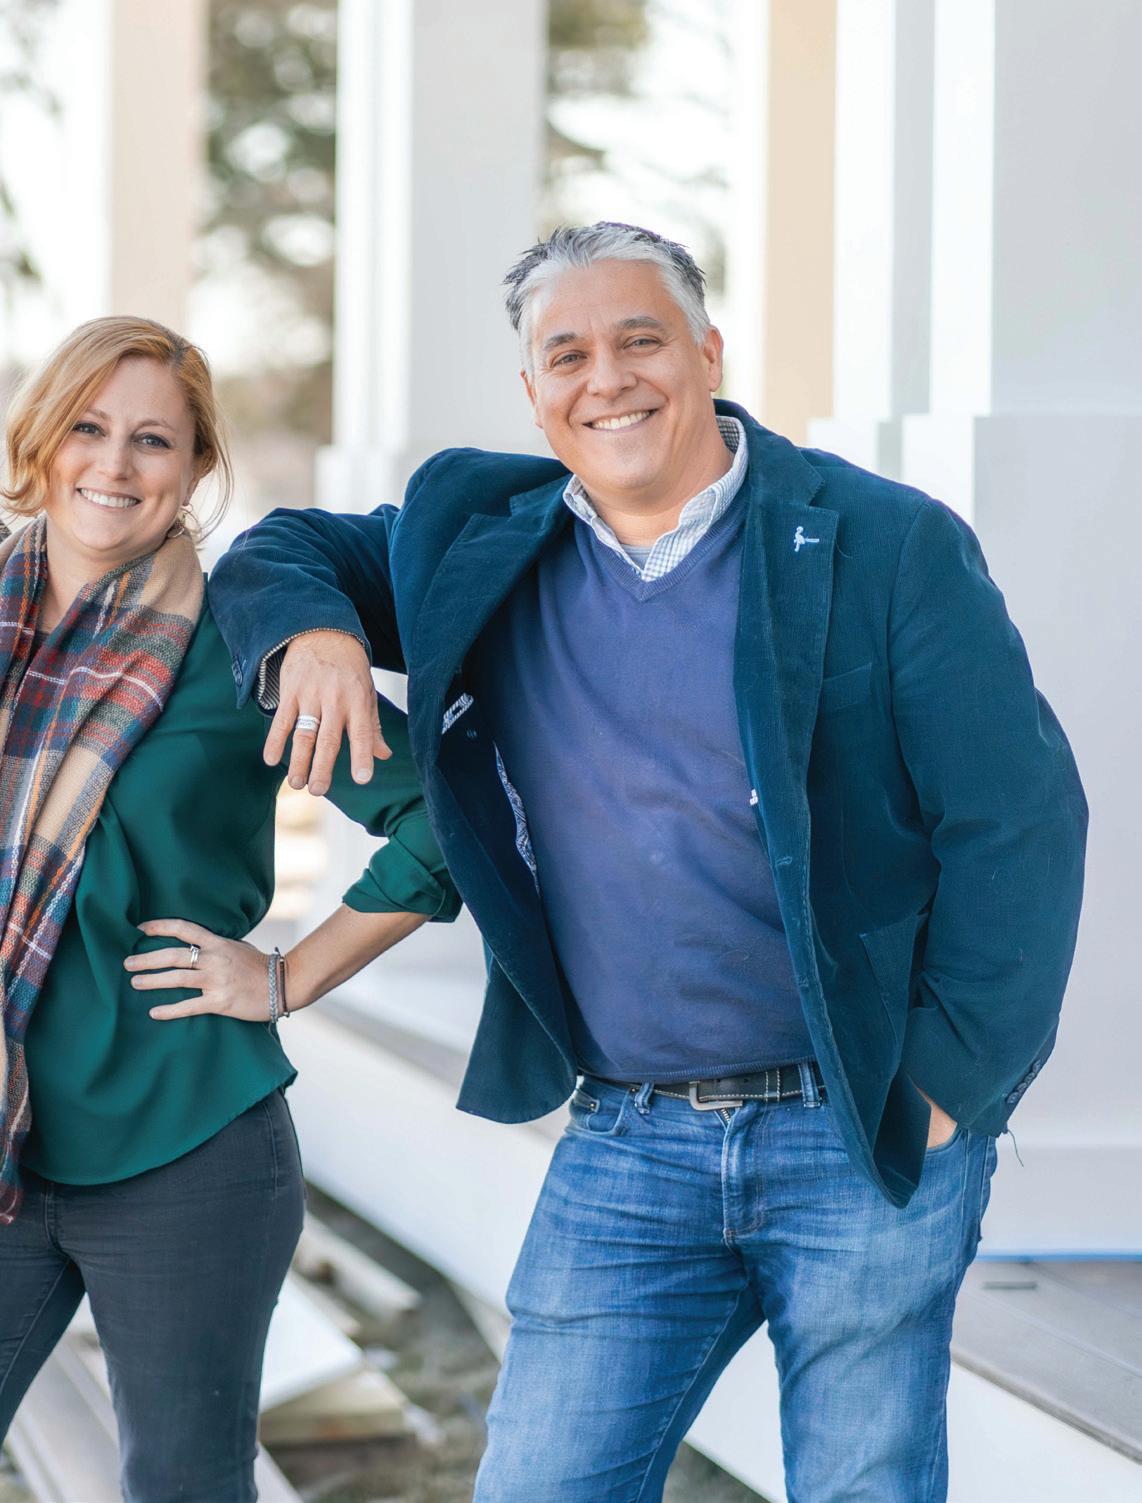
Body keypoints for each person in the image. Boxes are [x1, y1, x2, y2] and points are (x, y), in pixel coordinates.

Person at [208, 223, 1088, 1502]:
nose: (606, 378)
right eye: (567, 354)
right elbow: (274, 549)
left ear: (706, 354)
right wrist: (318, 636)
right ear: (531, 392)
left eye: (640, 340)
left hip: (857, 1127)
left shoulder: (882, 541)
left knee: (863, 1487)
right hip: (627, 1136)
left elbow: (1017, 823)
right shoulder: (480, 539)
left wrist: (944, 1086)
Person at [0, 316, 459, 1503]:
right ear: (41, 440)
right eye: (88, 428)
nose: (115, 463)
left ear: (197, 465)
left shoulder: (237, 646)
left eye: (154, 439)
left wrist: (288, 975)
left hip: (183, 1149)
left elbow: (441, 821)